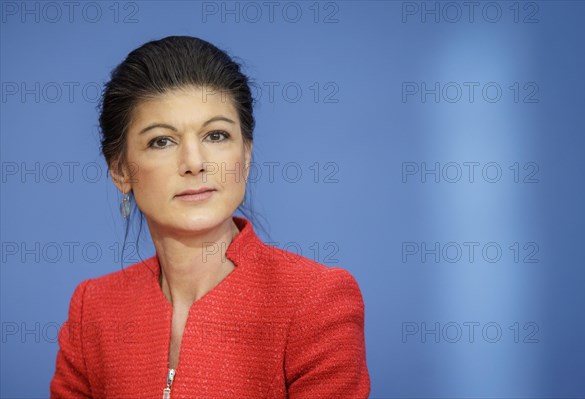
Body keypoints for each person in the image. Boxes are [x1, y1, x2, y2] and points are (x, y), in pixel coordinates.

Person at [50, 35, 370, 398]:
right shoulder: (93, 307)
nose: (194, 163)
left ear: (245, 156)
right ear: (121, 170)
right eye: (161, 141)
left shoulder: (316, 300)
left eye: (216, 135)